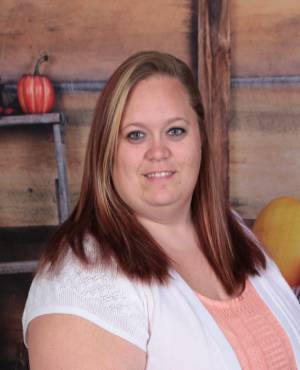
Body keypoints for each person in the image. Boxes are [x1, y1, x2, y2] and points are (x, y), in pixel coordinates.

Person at [22, 51, 300, 370]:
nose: (159, 151)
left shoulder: (234, 234)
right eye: (136, 135)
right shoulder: (81, 284)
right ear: (106, 150)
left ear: (200, 139)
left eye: (175, 131)